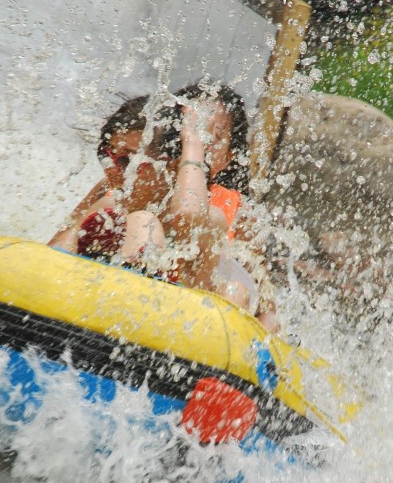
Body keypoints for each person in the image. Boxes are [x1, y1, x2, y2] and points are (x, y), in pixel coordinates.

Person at [48, 84, 279, 332]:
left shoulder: (222, 212)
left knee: (235, 290)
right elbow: (51, 254)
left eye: (213, 135)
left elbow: (263, 290)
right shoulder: (114, 192)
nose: (113, 168)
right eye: (107, 156)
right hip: (139, 290)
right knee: (130, 217)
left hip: (197, 312)